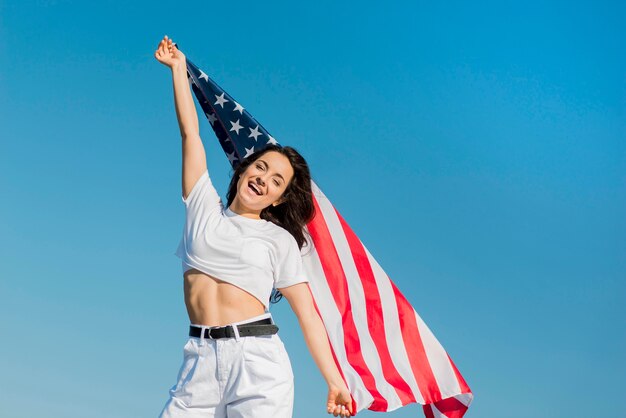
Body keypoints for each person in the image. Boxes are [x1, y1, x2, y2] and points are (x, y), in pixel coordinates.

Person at [154, 35, 353, 418]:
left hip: (257, 361)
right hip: (198, 360)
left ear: (278, 198)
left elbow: (307, 315)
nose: (264, 178)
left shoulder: (278, 240)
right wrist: (178, 70)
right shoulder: (202, 207)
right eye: (260, 167)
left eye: (277, 181)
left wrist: (334, 380)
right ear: (244, 168)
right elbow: (190, 134)